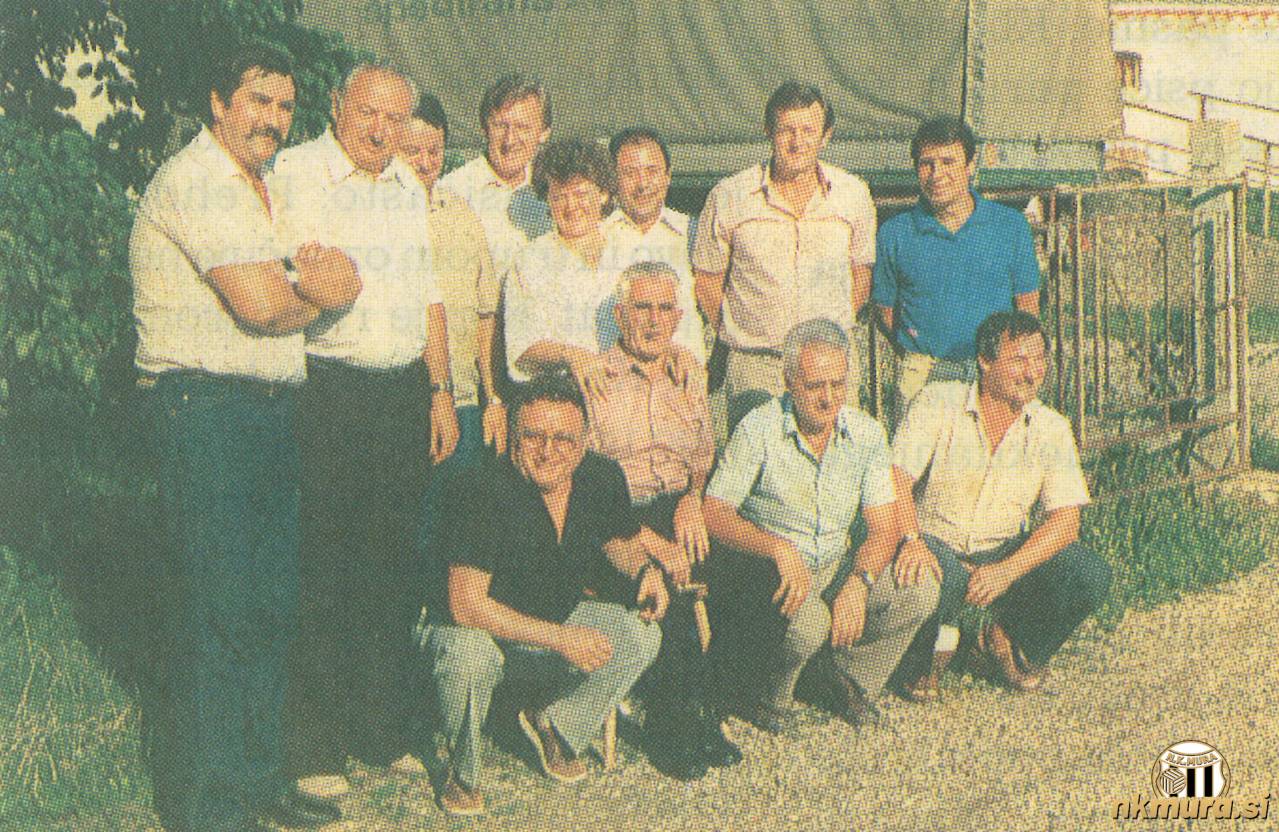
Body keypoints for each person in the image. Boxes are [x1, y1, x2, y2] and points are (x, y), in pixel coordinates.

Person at [130, 45, 361, 831]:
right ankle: (210, 810)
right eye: (258, 100)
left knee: (268, 607)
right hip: (206, 413)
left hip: (268, 413)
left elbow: (341, 275)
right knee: (220, 610)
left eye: (285, 106)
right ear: (218, 102)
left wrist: (311, 288)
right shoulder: (194, 180)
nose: (272, 119)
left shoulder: (267, 186)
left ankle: (258, 780)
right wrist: (315, 295)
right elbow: (261, 305)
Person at [271, 63, 458, 790]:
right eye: (367, 113)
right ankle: (313, 748)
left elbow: (428, 297)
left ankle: (378, 730)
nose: (381, 130)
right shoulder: (299, 173)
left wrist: (439, 391)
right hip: (329, 391)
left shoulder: (408, 185)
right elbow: (306, 277)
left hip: (402, 392)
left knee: (389, 568)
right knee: (323, 567)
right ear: (336, 106)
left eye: (394, 118)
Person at [421, 374, 665, 816]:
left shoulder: (600, 476)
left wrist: (645, 571)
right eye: (533, 436)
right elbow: (466, 605)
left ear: (585, 441)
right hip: (471, 629)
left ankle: (556, 722)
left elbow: (618, 542)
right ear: (511, 435)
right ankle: (463, 773)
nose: (548, 451)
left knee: (641, 635)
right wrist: (561, 638)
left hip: (546, 619)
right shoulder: (480, 488)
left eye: (563, 439)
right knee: (469, 655)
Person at [702, 319, 937, 733]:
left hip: (834, 561)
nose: (828, 398)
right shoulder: (758, 428)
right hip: (773, 569)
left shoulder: (866, 433)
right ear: (789, 381)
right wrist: (776, 548)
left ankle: (843, 679)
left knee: (919, 591)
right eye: (814, 386)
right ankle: (768, 695)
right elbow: (715, 511)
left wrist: (859, 583)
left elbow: (882, 527)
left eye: (837, 384)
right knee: (809, 625)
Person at [889, 310, 1111, 699]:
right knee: (939, 577)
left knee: (1088, 572)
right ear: (985, 361)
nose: (1032, 372)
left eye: (1039, 359)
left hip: (1000, 550)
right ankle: (923, 659)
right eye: (1019, 360)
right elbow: (896, 480)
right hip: (936, 546)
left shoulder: (1051, 428)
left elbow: (1066, 522)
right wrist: (911, 539)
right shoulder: (937, 402)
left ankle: (1007, 639)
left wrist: (1007, 571)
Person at [583, 262, 739, 780]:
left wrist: (693, 497)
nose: (653, 320)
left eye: (664, 309)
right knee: (671, 583)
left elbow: (702, 455)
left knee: (743, 574)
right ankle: (673, 728)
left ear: (677, 316)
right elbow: (587, 486)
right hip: (617, 518)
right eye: (641, 308)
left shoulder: (688, 374)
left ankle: (709, 704)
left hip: (679, 506)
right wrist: (650, 540)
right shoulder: (596, 379)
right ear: (620, 314)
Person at [692, 82, 876, 431]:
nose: (797, 141)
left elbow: (861, 275)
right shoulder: (729, 196)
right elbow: (707, 282)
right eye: (787, 130)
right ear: (768, 131)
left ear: (826, 136)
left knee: (834, 459)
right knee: (755, 461)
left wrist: (824, 341)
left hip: (830, 369)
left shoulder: (853, 194)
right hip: (758, 367)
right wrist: (741, 334)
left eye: (808, 130)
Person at [870, 116, 1041, 425]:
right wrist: (920, 350)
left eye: (948, 162)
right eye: (927, 164)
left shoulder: (1010, 227)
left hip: (992, 372)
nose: (937, 174)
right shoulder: (894, 233)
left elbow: (1027, 308)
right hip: (923, 376)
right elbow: (885, 312)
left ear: (970, 165)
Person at [398, 92, 505, 563]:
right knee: (408, 531)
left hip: (463, 401)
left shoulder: (461, 213)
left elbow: (485, 314)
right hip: (406, 400)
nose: (425, 162)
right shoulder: (377, 211)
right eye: (413, 150)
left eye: (434, 150)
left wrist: (492, 396)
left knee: (460, 531)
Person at [503, 138, 700, 391]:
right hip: (561, 395)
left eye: (581, 194)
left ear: (603, 194)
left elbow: (671, 319)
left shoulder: (633, 249)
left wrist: (679, 352)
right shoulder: (530, 260)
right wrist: (573, 356)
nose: (571, 206)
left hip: (628, 394)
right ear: (547, 200)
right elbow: (521, 349)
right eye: (559, 197)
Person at [603, 127, 705, 363]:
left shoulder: (694, 233)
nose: (642, 184)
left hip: (681, 376)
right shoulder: (595, 237)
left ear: (668, 176)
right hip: (614, 376)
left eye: (652, 171)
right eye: (630, 173)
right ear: (612, 180)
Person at [438, 73, 553, 282]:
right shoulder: (453, 191)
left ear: (544, 133)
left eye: (522, 127)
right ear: (484, 128)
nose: (510, 140)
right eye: (500, 126)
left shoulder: (556, 190)